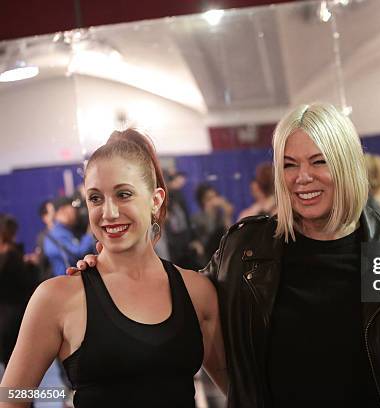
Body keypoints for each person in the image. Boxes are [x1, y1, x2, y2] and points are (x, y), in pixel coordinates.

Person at [67, 104, 380, 407]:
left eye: (318, 161)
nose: (302, 177)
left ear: (345, 163)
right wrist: (108, 270)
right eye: (289, 164)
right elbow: (179, 300)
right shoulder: (247, 249)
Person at [0, 129, 226, 407]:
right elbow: (11, 396)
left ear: (155, 200)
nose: (109, 213)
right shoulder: (57, 298)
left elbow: (238, 390)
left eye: (123, 194)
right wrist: (57, 396)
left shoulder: (197, 291)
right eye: (95, 198)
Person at [0, 215, 39, 367]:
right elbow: (26, 283)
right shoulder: (12, 254)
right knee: (17, 363)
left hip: (4, 314)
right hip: (15, 314)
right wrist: (32, 267)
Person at [42, 197, 96, 278]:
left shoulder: (65, 230)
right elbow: (76, 253)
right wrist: (89, 233)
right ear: (63, 211)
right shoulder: (57, 234)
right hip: (65, 282)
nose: (76, 214)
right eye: (73, 210)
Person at [191, 183, 233, 267]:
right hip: (207, 261)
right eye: (209, 199)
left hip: (223, 259)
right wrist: (209, 213)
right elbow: (208, 239)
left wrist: (227, 216)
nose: (214, 201)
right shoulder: (197, 218)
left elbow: (231, 236)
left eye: (215, 197)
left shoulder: (220, 217)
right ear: (202, 201)